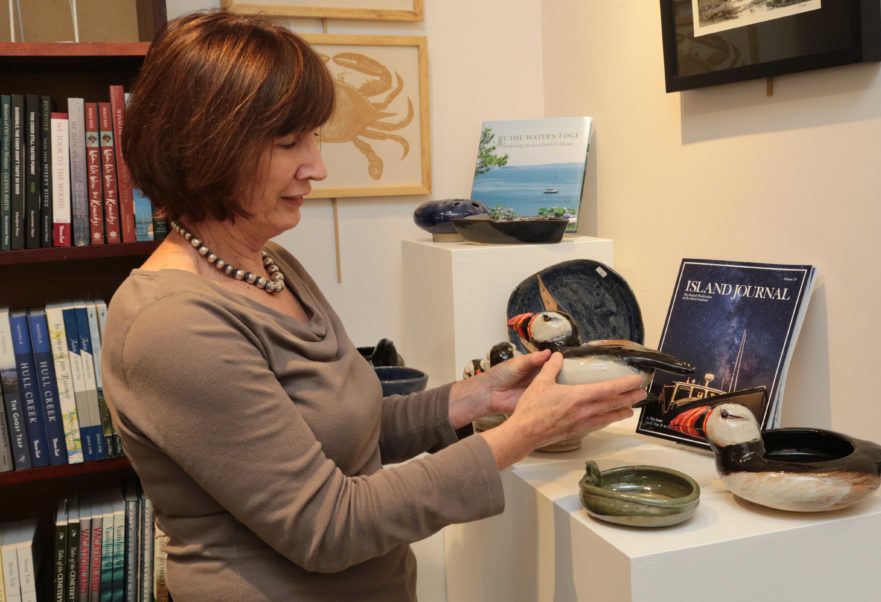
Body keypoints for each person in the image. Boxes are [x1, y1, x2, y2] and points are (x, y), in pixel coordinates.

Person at [102, 11, 647, 601]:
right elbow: (328, 526)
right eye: (289, 143)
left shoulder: (273, 263)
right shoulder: (171, 326)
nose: (317, 167)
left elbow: (347, 432)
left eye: (312, 138)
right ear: (206, 147)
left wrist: (480, 397)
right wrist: (521, 434)